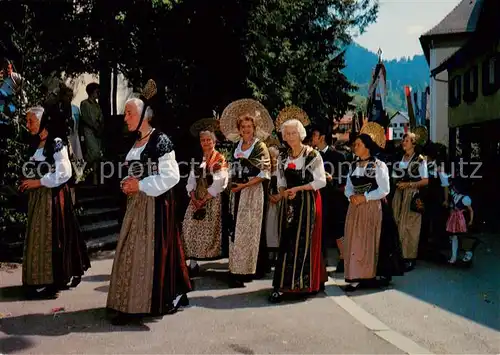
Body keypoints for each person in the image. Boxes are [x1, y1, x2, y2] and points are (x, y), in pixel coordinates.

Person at [107, 81, 191, 325]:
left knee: (149, 254)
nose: (125, 118)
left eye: (129, 113)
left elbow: (172, 176)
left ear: (144, 115)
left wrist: (140, 185)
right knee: (130, 251)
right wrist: (126, 183)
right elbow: (133, 171)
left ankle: (144, 302)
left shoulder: (160, 140)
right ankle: (127, 301)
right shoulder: (135, 143)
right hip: (135, 207)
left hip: (154, 208)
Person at [19, 106, 90, 298]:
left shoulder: (56, 143)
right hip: (38, 198)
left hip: (52, 197)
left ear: (42, 122)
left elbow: (64, 173)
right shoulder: (36, 142)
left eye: (31, 121)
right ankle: (39, 277)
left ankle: (51, 279)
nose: (28, 125)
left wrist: (38, 182)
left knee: (53, 237)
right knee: (38, 237)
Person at [269, 117, 327, 303]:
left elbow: (321, 181)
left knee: (304, 242)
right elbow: (280, 181)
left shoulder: (312, 155)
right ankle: (283, 284)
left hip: (308, 202)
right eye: (287, 133)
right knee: (286, 241)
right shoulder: (283, 156)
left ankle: (303, 284)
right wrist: (283, 192)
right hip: (290, 203)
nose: (290, 136)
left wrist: (299, 189)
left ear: (301, 134)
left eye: (294, 133)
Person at [220, 99, 273, 288]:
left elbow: (265, 173)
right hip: (237, 193)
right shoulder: (236, 147)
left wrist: (243, 186)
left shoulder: (260, 147)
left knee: (249, 230)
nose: (246, 130)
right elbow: (233, 168)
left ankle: (249, 269)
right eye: (243, 127)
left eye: (249, 126)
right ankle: (236, 267)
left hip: (252, 192)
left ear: (254, 128)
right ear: (239, 129)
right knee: (236, 230)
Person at [343, 133, 393, 291]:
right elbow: (348, 186)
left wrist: (365, 197)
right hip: (355, 208)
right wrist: (350, 195)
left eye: (358, 144)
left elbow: (384, 189)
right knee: (354, 241)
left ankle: (366, 275)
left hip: (371, 207)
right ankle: (355, 275)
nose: (355, 147)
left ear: (367, 146)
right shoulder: (353, 165)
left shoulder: (378, 165)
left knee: (368, 242)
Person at [182, 124, 229, 275]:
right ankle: (193, 262)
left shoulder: (219, 159)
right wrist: (194, 197)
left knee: (209, 232)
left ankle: (207, 258)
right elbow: (191, 181)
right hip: (196, 199)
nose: (206, 143)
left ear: (214, 142)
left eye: (209, 140)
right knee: (188, 227)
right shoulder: (198, 160)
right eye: (203, 140)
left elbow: (219, 183)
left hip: (212, 199)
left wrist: (204, 200)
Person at [311, 124, 348, 273]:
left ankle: (344, 258)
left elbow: (345, 178)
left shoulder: (338, 156)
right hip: (318, 197)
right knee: (320, 231)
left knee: (338, 231)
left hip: (335, 199)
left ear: (322, 137)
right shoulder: (311, 156)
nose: (312, 138)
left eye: (315, 135)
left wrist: (333, 179)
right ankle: (320, 263)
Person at [391, 132, 429, 271]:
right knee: (398, 223)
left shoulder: (420, 160)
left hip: (412, 195)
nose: (403, 142)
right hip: (399, 194)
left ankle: (410, 258)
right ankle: (400, 255)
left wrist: (409, 185)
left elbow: (425, 181)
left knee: (411, 226)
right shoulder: (400, 158)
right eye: (403, 140)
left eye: (407, 140)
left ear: (413, 144)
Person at [446, 180, 476, 265]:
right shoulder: (454, 196)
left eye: (454, 187)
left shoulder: (465, 198)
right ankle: (454, 256)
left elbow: (471, 210)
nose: (453, 189)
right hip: (454, 219)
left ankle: (468, 253)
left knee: (463, 237)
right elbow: (452, 208)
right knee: (454, 236)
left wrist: (470, 221)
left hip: (462, 220)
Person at [80, 82, 103, 183]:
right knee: (93, 154)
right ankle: (82, 171)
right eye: (97, 91)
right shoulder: (85, 103)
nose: (98, 93)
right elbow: (85, 118)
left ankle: (95, 178)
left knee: (97, 155)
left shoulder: (97, 105)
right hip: (89, 131)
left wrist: (100, 127)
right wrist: (94, 127)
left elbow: (101, 118)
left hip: (97, 131)